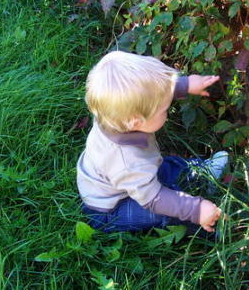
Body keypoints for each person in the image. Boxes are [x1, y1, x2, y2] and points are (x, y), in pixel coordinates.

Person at [76, 51, 228, 234]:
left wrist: (184, 85)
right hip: (111, 210)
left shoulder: (113, 114)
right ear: (135, 121)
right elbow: (153, 198)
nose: (168, 109)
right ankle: (208, 228)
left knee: (168, 167)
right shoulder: (127, 161)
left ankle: (201, 176)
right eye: (164, 110)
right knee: (164, 210)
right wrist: (195, 209)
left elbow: (152, 95)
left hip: (116, 181)